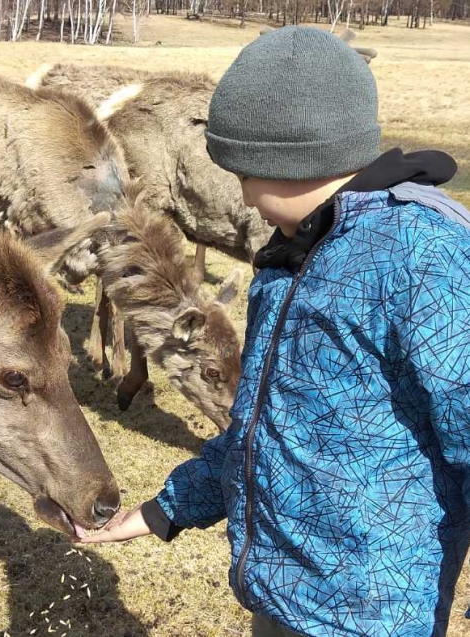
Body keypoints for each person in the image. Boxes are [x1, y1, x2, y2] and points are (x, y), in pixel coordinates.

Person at [78, 25, 470, 637]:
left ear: (283, 159)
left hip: (369, 617)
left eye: (240, 172)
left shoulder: (423, 256)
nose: (241, 193)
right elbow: (263, 426)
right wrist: (162, 512)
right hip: (280, 600)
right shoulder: (291, 256)